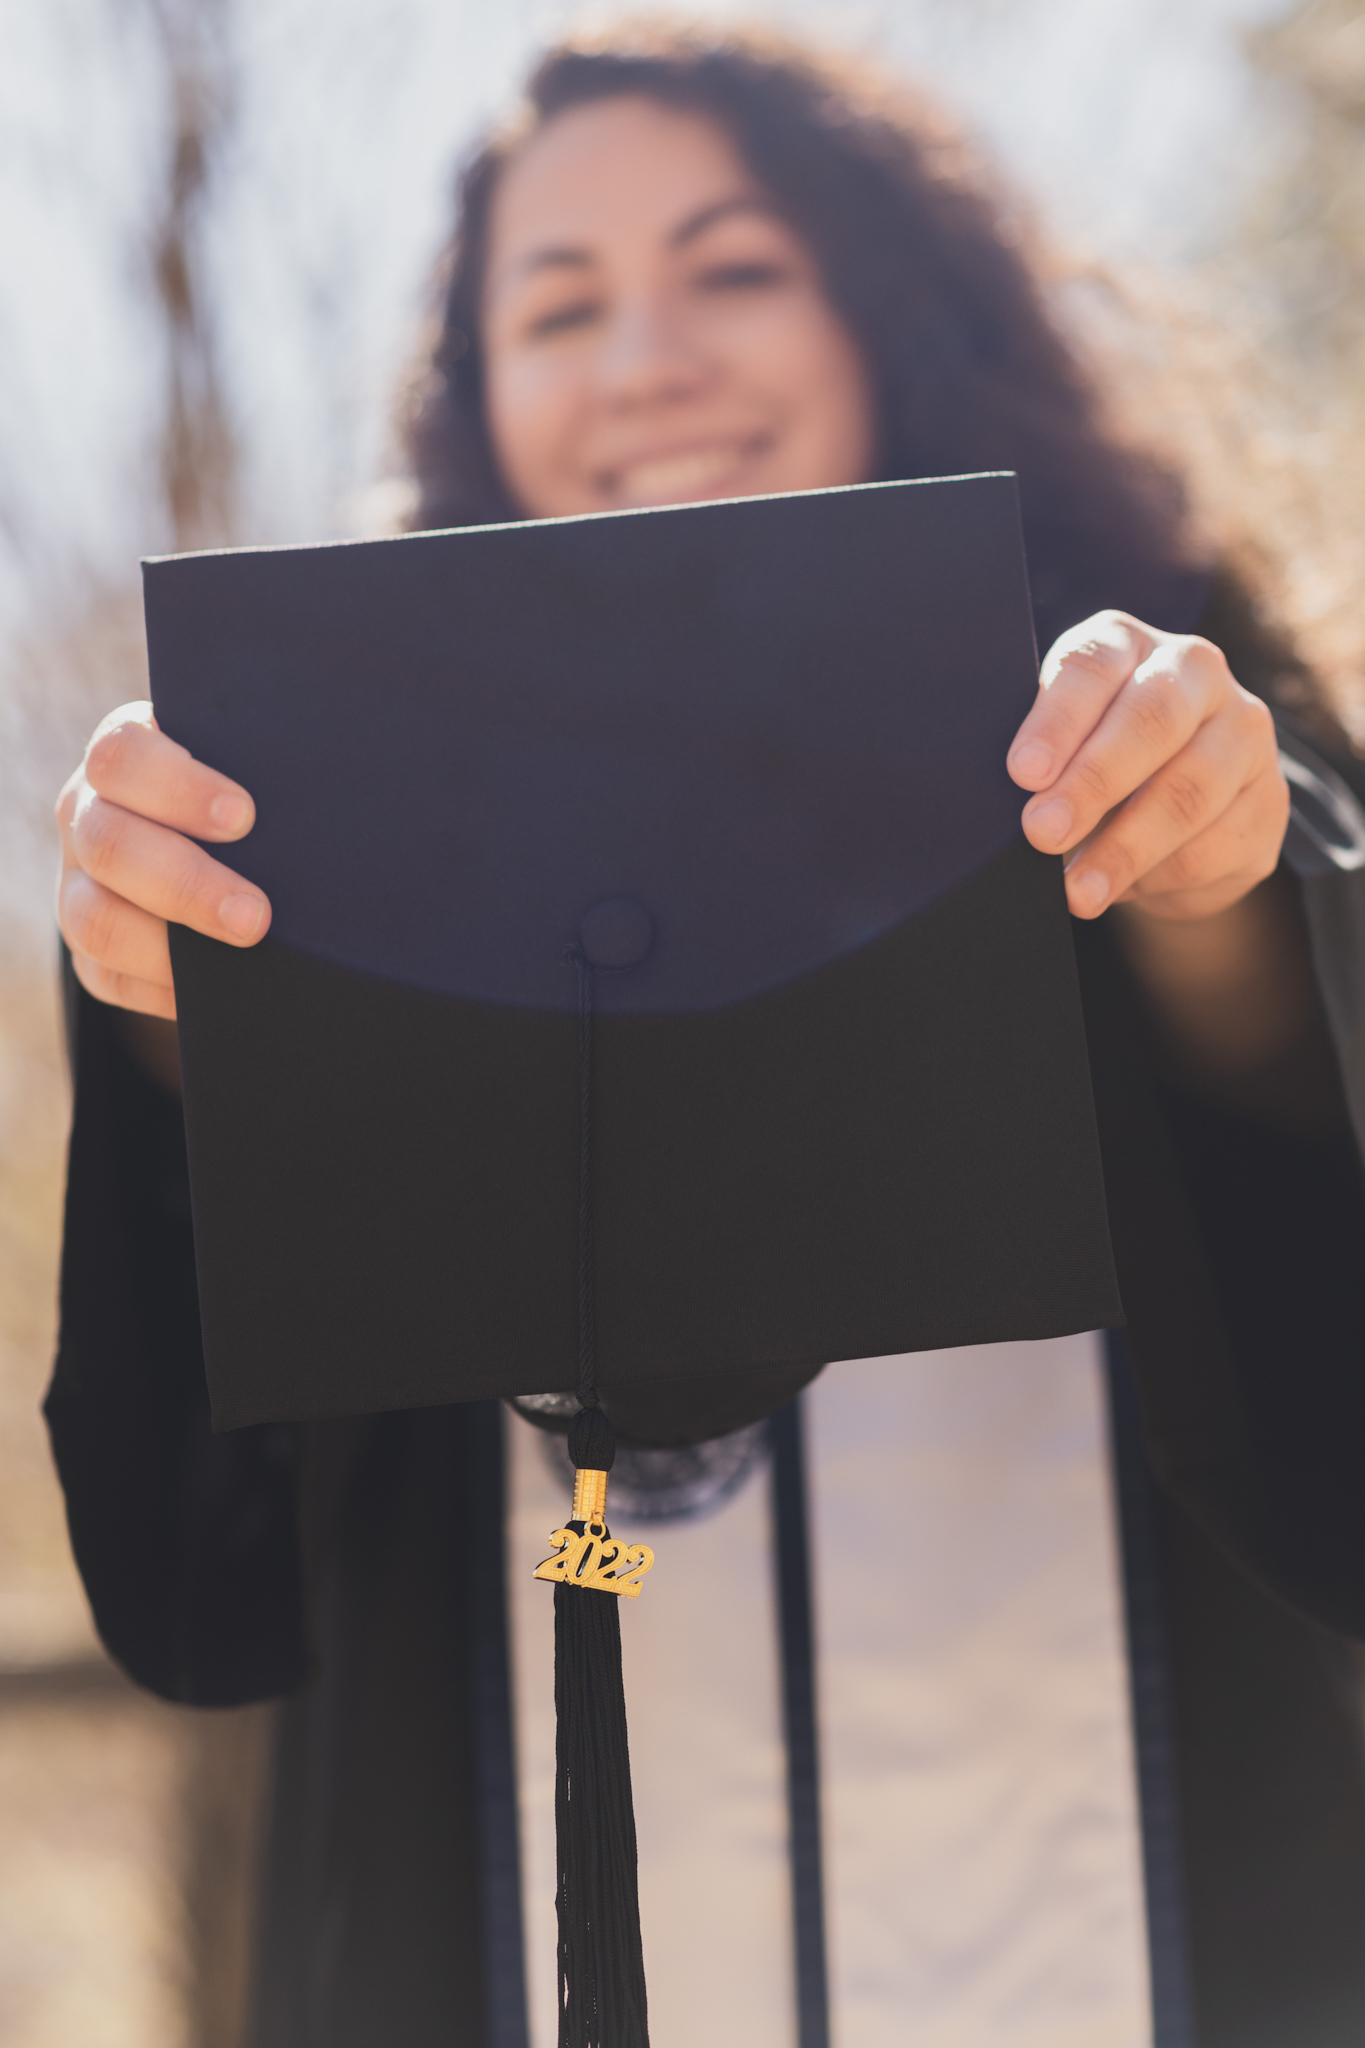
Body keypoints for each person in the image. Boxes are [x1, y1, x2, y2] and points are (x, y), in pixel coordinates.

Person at [46, 24, 1365, 2048]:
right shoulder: (344, 841)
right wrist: (174, 1016)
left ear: (883, 315)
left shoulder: (1139, 716)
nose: (643, 355)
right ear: (474, 391)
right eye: (555, 304)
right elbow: (207, 1588)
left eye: (731, 267)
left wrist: (1211, 908)